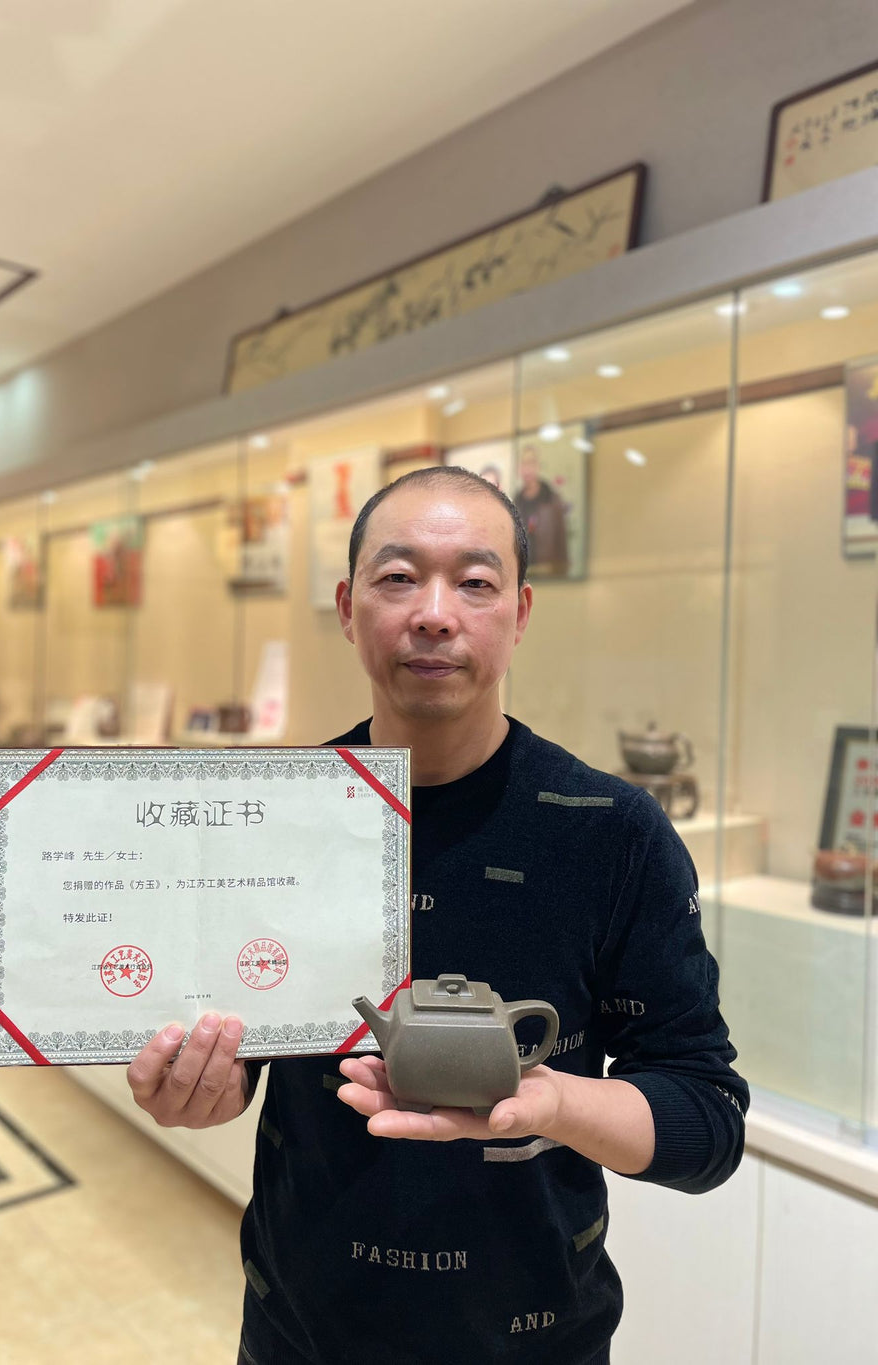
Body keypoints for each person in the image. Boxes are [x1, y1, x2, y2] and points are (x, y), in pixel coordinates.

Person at [127, 466, 748, 1365]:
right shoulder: (277, 817)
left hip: (540, 1341)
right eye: (398, 576)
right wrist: (200, 1089)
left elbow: (707, 1121)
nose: (433, 612)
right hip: (300, 1333)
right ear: (348, 608)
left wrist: (550, 1101)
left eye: (475, 581)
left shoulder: (610, 831)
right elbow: (238, 1059)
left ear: (521, 613)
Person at [513, 444, 569, 576]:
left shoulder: (552, 499)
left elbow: (562, 542)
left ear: (538, 466)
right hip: (523, 574)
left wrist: (563, 571)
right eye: (524, 464)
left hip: (548, 573)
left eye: (531, 463)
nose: (527, 469)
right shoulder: (516, 501)